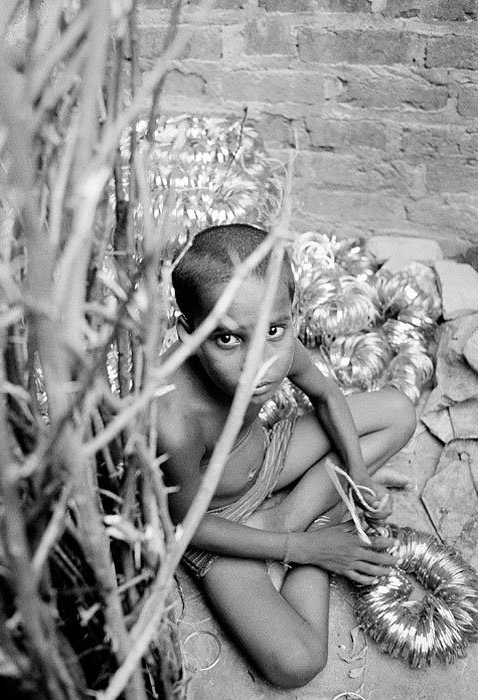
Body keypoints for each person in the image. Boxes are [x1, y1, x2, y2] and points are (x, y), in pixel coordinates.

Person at [158, 223, 416, 689]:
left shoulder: (267, 335)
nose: (260, 363)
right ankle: (310, 530)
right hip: (217, 520)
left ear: (286, 315)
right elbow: (185, 526)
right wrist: (307, 551)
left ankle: (298, 516)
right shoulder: (173, 419)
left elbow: (327, 395)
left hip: (268, 458)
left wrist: (360, 476)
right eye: (227, 340)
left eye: (275, 330)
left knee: (398, 411)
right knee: (296, 663)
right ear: (188, 333)